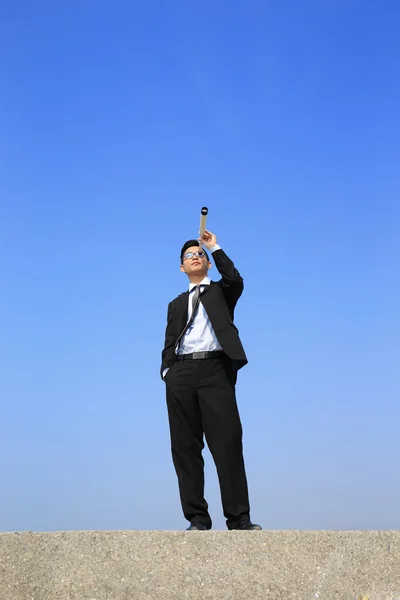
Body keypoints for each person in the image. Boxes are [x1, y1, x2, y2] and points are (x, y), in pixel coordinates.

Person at [161, 228, 261, 531]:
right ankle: (198, 518)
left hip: (215, 370)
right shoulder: (176, 304)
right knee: (185, 447)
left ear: (206, 262)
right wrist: (167, 371)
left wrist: (214, 247)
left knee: (227, 442)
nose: (195, 257)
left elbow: (235, 279)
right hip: (181, 373)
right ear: (181, 267)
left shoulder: (220, 291)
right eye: (190, 255)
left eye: (199, 254)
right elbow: (169, 341)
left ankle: (238, 518)